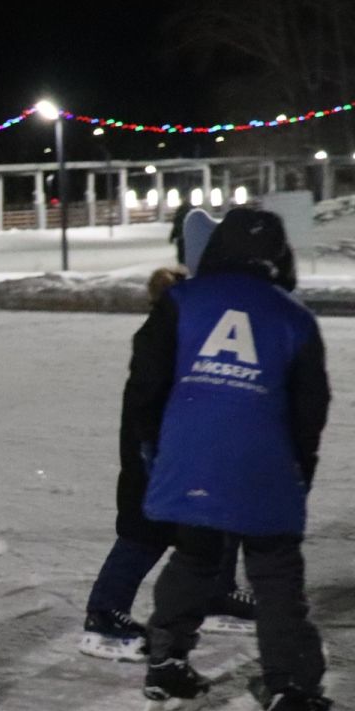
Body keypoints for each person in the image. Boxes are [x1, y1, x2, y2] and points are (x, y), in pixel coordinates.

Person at [125, 206, 355, 711]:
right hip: (263, 464)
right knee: (276, 576)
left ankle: (167, 667)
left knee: (193, 554)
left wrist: (160, 452)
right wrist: (295, 476)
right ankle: (294, 696)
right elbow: (310, 412)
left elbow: (145, 384)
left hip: (190, 458)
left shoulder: (181, 302)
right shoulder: (294, 318)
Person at [79, 266, 253, 661]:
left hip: (180, 448)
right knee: (145, 533)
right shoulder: (161, 334)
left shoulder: (185, 332)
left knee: (219, 517)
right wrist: (154, 452)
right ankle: (103, 615)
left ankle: (216, 594)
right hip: (155, 454)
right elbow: (147, 399)